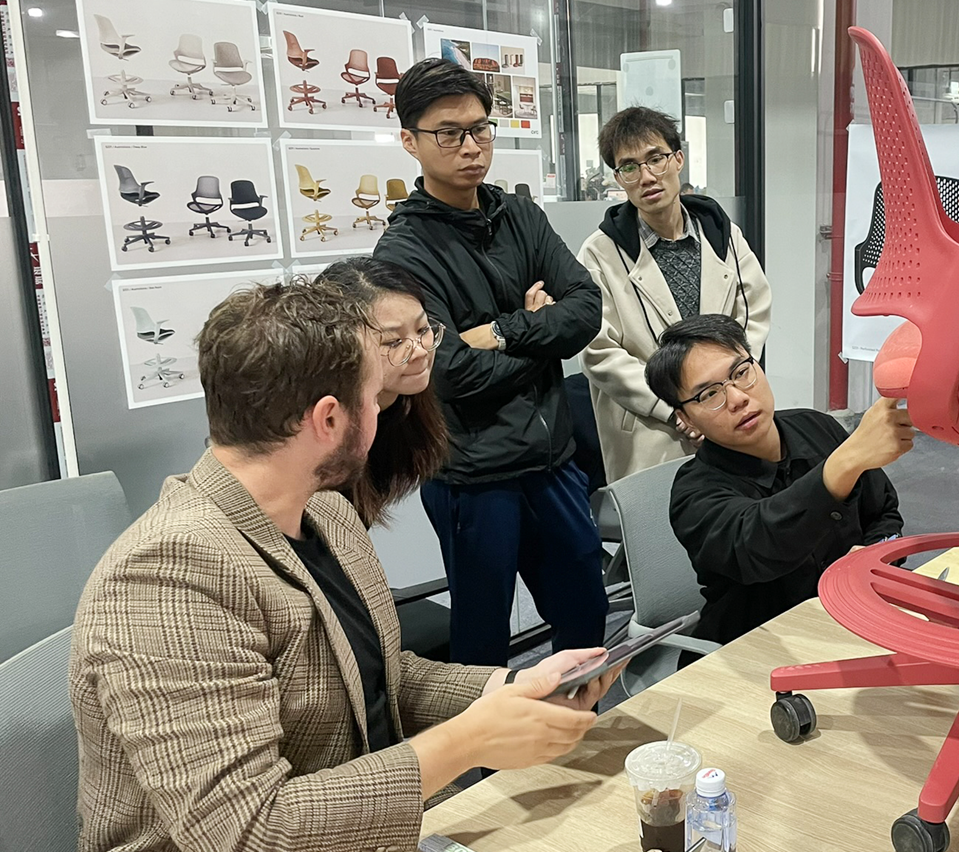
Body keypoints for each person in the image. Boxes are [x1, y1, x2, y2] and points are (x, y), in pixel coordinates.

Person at [71, 279, 621, 852]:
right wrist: (468, 742)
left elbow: (382, 679)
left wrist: (512, 686)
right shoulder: (166, 576)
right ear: (329, 419)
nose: (383, 414)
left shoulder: (328, 515)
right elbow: (251, 830)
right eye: (375, 396)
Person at [374, 57, 609, 665]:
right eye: (448, 133)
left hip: (554, 462)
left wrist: (501, 332)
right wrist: (542, 337)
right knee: (482, 645)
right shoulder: (402, 251)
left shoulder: (521, 216)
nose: (470, 146)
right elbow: (448, 372)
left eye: (480, 129)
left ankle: (577, 747)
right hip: (472, 479)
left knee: (585, 620)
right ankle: (492, 763)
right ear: (410, 141)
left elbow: (586, 309)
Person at [645, 314, 912, 647]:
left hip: (855, 622)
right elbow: (758, 544)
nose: (738, 398)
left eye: (741, 373)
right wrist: (846, 462)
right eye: (709, 394)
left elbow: (884, 513)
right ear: (685, 418)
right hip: (757, 648)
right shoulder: (693, 494)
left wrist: (872, 559)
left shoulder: (817, 428)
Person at [578, 106, 771, 483]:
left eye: (656, 158)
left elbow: (752, 314)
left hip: (727, 409)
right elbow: (599, 351)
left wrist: (718, 390)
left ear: (678, 159)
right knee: (658, 531)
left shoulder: (722, 235)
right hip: (654, 426)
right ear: (619, 178)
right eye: (630, 167)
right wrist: (676, 407)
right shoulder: (599, 253)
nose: (647, 176)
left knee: (739, 518)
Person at [316, 256, 448, 529]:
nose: (421, 350)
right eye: (393, 341)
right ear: (342, 347)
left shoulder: (402, 405)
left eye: (423, 329)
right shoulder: (322, 439)